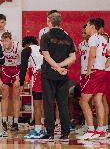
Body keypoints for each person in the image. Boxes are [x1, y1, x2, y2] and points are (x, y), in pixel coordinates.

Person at [77, 19, 110, 140]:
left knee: (83, 100)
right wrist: (103, 67)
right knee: (98, 100)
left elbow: (92, 55)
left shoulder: (93, 37)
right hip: (101, 72)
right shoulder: (103, 38)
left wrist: (89, 70)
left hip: (94, 72)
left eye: (87, 25)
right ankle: (100, 130)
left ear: (93, 27)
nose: (86, 28)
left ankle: (90, 129)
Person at [40, 12, 76, 142]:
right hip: (63, 75)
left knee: (49, 104)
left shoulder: (45, 36)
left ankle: (49, 133)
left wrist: (56, 67)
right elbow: (73, 57)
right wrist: (61, 67)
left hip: (49, 74)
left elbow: (46, 56)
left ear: (49, 21)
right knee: (63, 104)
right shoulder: (68, 37)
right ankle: (65, 134)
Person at [21, 36, 45, 139]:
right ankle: (45, 128)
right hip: (49, 74)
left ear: (25, 44)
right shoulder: (41, 48)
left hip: (39, 75)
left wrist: (21, 83)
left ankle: (38, 130)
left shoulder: (28, 49)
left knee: (37, 104)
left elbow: (23, 67)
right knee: (45, 104)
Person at [0, 32, 22, 131]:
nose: (4, 43)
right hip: (5, 69)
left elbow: (24, 63)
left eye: (6, 40)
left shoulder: (18, 47)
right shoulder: (0, 48)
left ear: (11, 40)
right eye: (3, 41)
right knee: (4, 96)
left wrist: (19, 78)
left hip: (17, 69)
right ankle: (4, 121)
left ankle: (16, 122)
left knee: (16, 97)